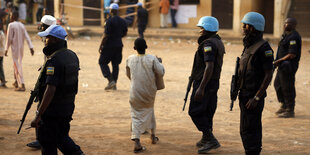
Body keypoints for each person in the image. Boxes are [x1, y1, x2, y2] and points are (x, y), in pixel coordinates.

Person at [30, 25, 84, 155]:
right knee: (60, 137)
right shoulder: (72, 56)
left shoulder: (54, 61)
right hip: (67, 107)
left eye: (47, 38)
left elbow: (50, 90)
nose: (45, 41)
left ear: (54, 39)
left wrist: (39, 115)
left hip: (53, 111)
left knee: (49, 141)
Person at [238, 12, 274, 155]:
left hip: (253, 97)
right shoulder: (249, 45)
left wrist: (257, 97)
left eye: (245, 25)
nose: (243, 27)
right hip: (244, 94)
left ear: (253, 27)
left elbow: (268, 74)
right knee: (245, 128)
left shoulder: (264, 48)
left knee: (250, 128)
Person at [188, 16, 225, 154]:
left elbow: (209, 66)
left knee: (195, 110)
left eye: (202, 28)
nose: (200, 31)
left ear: (208, 28)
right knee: (207, 110)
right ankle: (205, 138)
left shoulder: (208, 44)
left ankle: (210, 139)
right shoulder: (217, 41)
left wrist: (201, 88)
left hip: (205, 82)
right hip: (212, 82)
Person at [126, 38, 165, 153]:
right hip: (149, 92)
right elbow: (161, 72)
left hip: (135, 91)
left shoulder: (129, 59)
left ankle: (137, 141)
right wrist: (160, 62)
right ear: (146, 47)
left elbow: (129, 75)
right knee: (149, 110)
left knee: (136, 115)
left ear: (134, 48)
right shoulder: (152, 59)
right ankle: (153, 136)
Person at [26, 14, 57, 150]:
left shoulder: (50, 40)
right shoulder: (51, 39)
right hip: (49, 76)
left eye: (42, 25)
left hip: (48, 81)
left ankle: (41, 139)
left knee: (41, 108)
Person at [274, 18, 301, 118]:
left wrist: (278, 61)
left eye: (288, 23)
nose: (286, 25)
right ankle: (284, 105)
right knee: (278, 85)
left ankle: (290, 109)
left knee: (287, 87)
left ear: (294, 25)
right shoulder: (285, 35)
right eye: (285, 23)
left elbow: (292, 54)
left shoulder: (293, 37)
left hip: (288, 66)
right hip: (281, 66)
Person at [99, 3, 128, 90]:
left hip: (109, 45)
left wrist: (101, 45)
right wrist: (118, 37)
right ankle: (114, 83)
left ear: (111, 11)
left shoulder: (109, 21)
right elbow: (125, 33)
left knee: (102, 62)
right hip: (119, 45)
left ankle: (110, 80)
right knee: (115, 65)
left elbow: (105, 35)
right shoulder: (123, 21)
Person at [4, 11, 34, 91]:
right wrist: (31, 47)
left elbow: (9, 38)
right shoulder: (22, 25)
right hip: (21, 49)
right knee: (16, 64)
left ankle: (22, 84)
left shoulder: (11, 25)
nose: (10, 17)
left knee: (17, 65)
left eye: (10, 16)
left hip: (15, 49)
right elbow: (27, 37)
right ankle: (16, 81)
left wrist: (6, 49)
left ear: (13, 16)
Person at [0, 11, 7, 88]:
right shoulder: (1, 32)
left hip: (0, 52)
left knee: (0, 67)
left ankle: (3, 80)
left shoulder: (0, 33)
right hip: (1, 51)